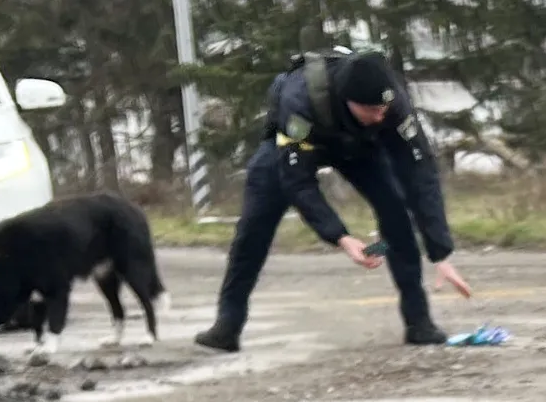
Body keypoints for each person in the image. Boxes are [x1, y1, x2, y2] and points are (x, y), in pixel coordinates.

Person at [195, 48, 472, 353]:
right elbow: (298, 183)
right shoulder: (298, 102)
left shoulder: (392, 106)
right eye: (372, 110)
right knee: (253, 228)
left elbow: (421, 173)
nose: (381, 116)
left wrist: (439, 251)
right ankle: (227, 326)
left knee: (396, 213)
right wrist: (340, 237)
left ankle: (419, 323)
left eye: (384, 108)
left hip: (359, 148)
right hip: (296, 146)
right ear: (349, 100)